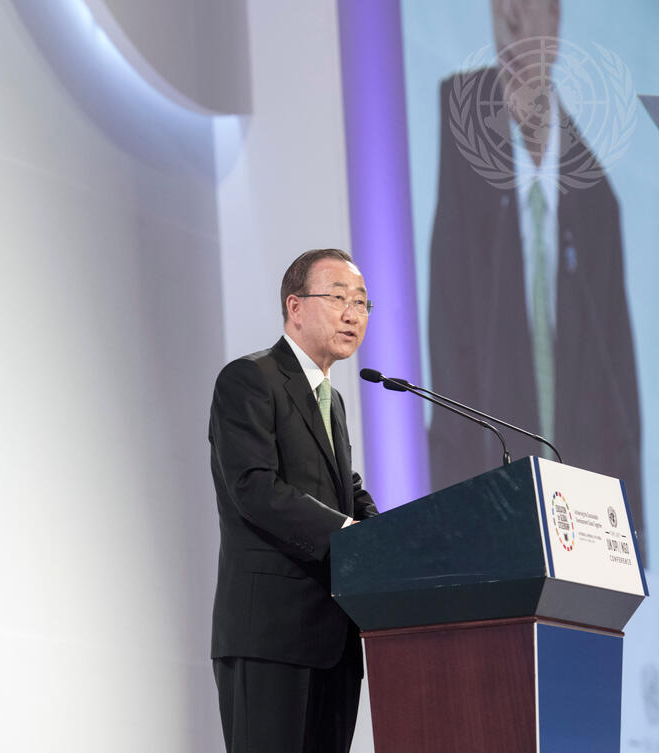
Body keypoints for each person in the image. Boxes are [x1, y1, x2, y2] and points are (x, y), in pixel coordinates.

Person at [427, 0, 643, 561]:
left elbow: (618, 372)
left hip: (582, 509)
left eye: (526, 9)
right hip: (491, 499)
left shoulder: (596, 202)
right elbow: (449, 342)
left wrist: (631, 530)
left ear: (556, 21)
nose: (512, 26)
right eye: (501, 10)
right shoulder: (468, 143)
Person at [208, 248, 379, 753]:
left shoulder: (333, 400)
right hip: (271, 635)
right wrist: (349, 535)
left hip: (334, 640)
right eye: (339, 298)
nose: (352, 314)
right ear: (295, 306)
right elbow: (254, 487)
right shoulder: (249, 379)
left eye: (362, 303)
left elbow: (346, 489)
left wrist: (391, 538)